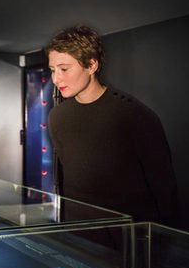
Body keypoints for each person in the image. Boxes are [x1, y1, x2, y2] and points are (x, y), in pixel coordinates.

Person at [45, 25, 178, 224]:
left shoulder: (134, 114)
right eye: (53, 70)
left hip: (128, 237)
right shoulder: (57, 116)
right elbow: (65, 181)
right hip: (76, 233)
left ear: (91, 65)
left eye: (64, 69)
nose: (56, 78)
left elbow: (164, 188)